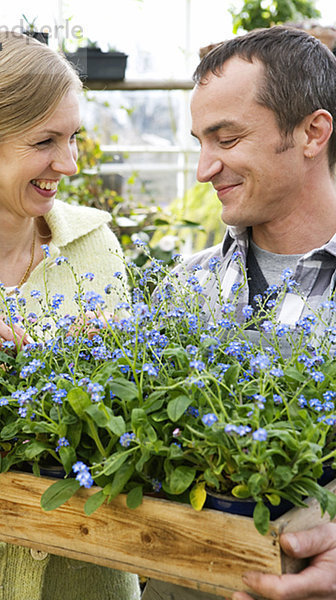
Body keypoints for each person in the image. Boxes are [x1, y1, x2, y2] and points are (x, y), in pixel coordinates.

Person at [0, 31, 140, 600]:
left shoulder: (95, 243)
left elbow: (138, 413)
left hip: (92, 577)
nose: (69, 163)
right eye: (46, 140)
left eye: (73, 137)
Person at [142, 26, 336, 600]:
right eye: (200, 141)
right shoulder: (186, 287)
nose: (204, 169)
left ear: (312, 132)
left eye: (226, 140)